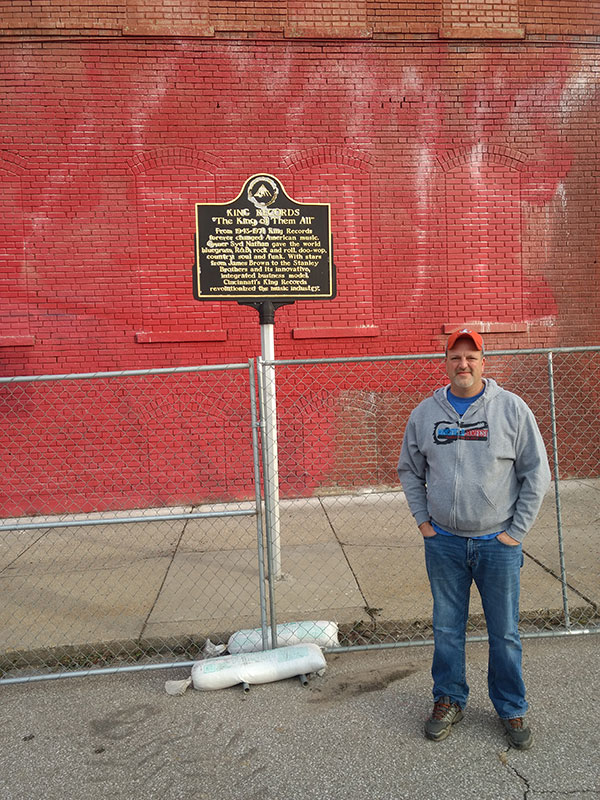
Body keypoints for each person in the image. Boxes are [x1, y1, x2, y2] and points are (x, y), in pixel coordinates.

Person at [397, 329, 551, 750]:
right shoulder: (426, 414)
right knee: (447, 628)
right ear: (445, 362)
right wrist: (423, 522)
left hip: (497, 544)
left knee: (504, 632)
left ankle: (511, 706)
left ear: (483, 362)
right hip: (444, 542)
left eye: (471, 357)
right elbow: (409, 469)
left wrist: (515, 533)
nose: (463, 364)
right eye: (455, 357)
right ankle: (449, 699)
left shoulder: (511, 409)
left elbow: (536, 473)